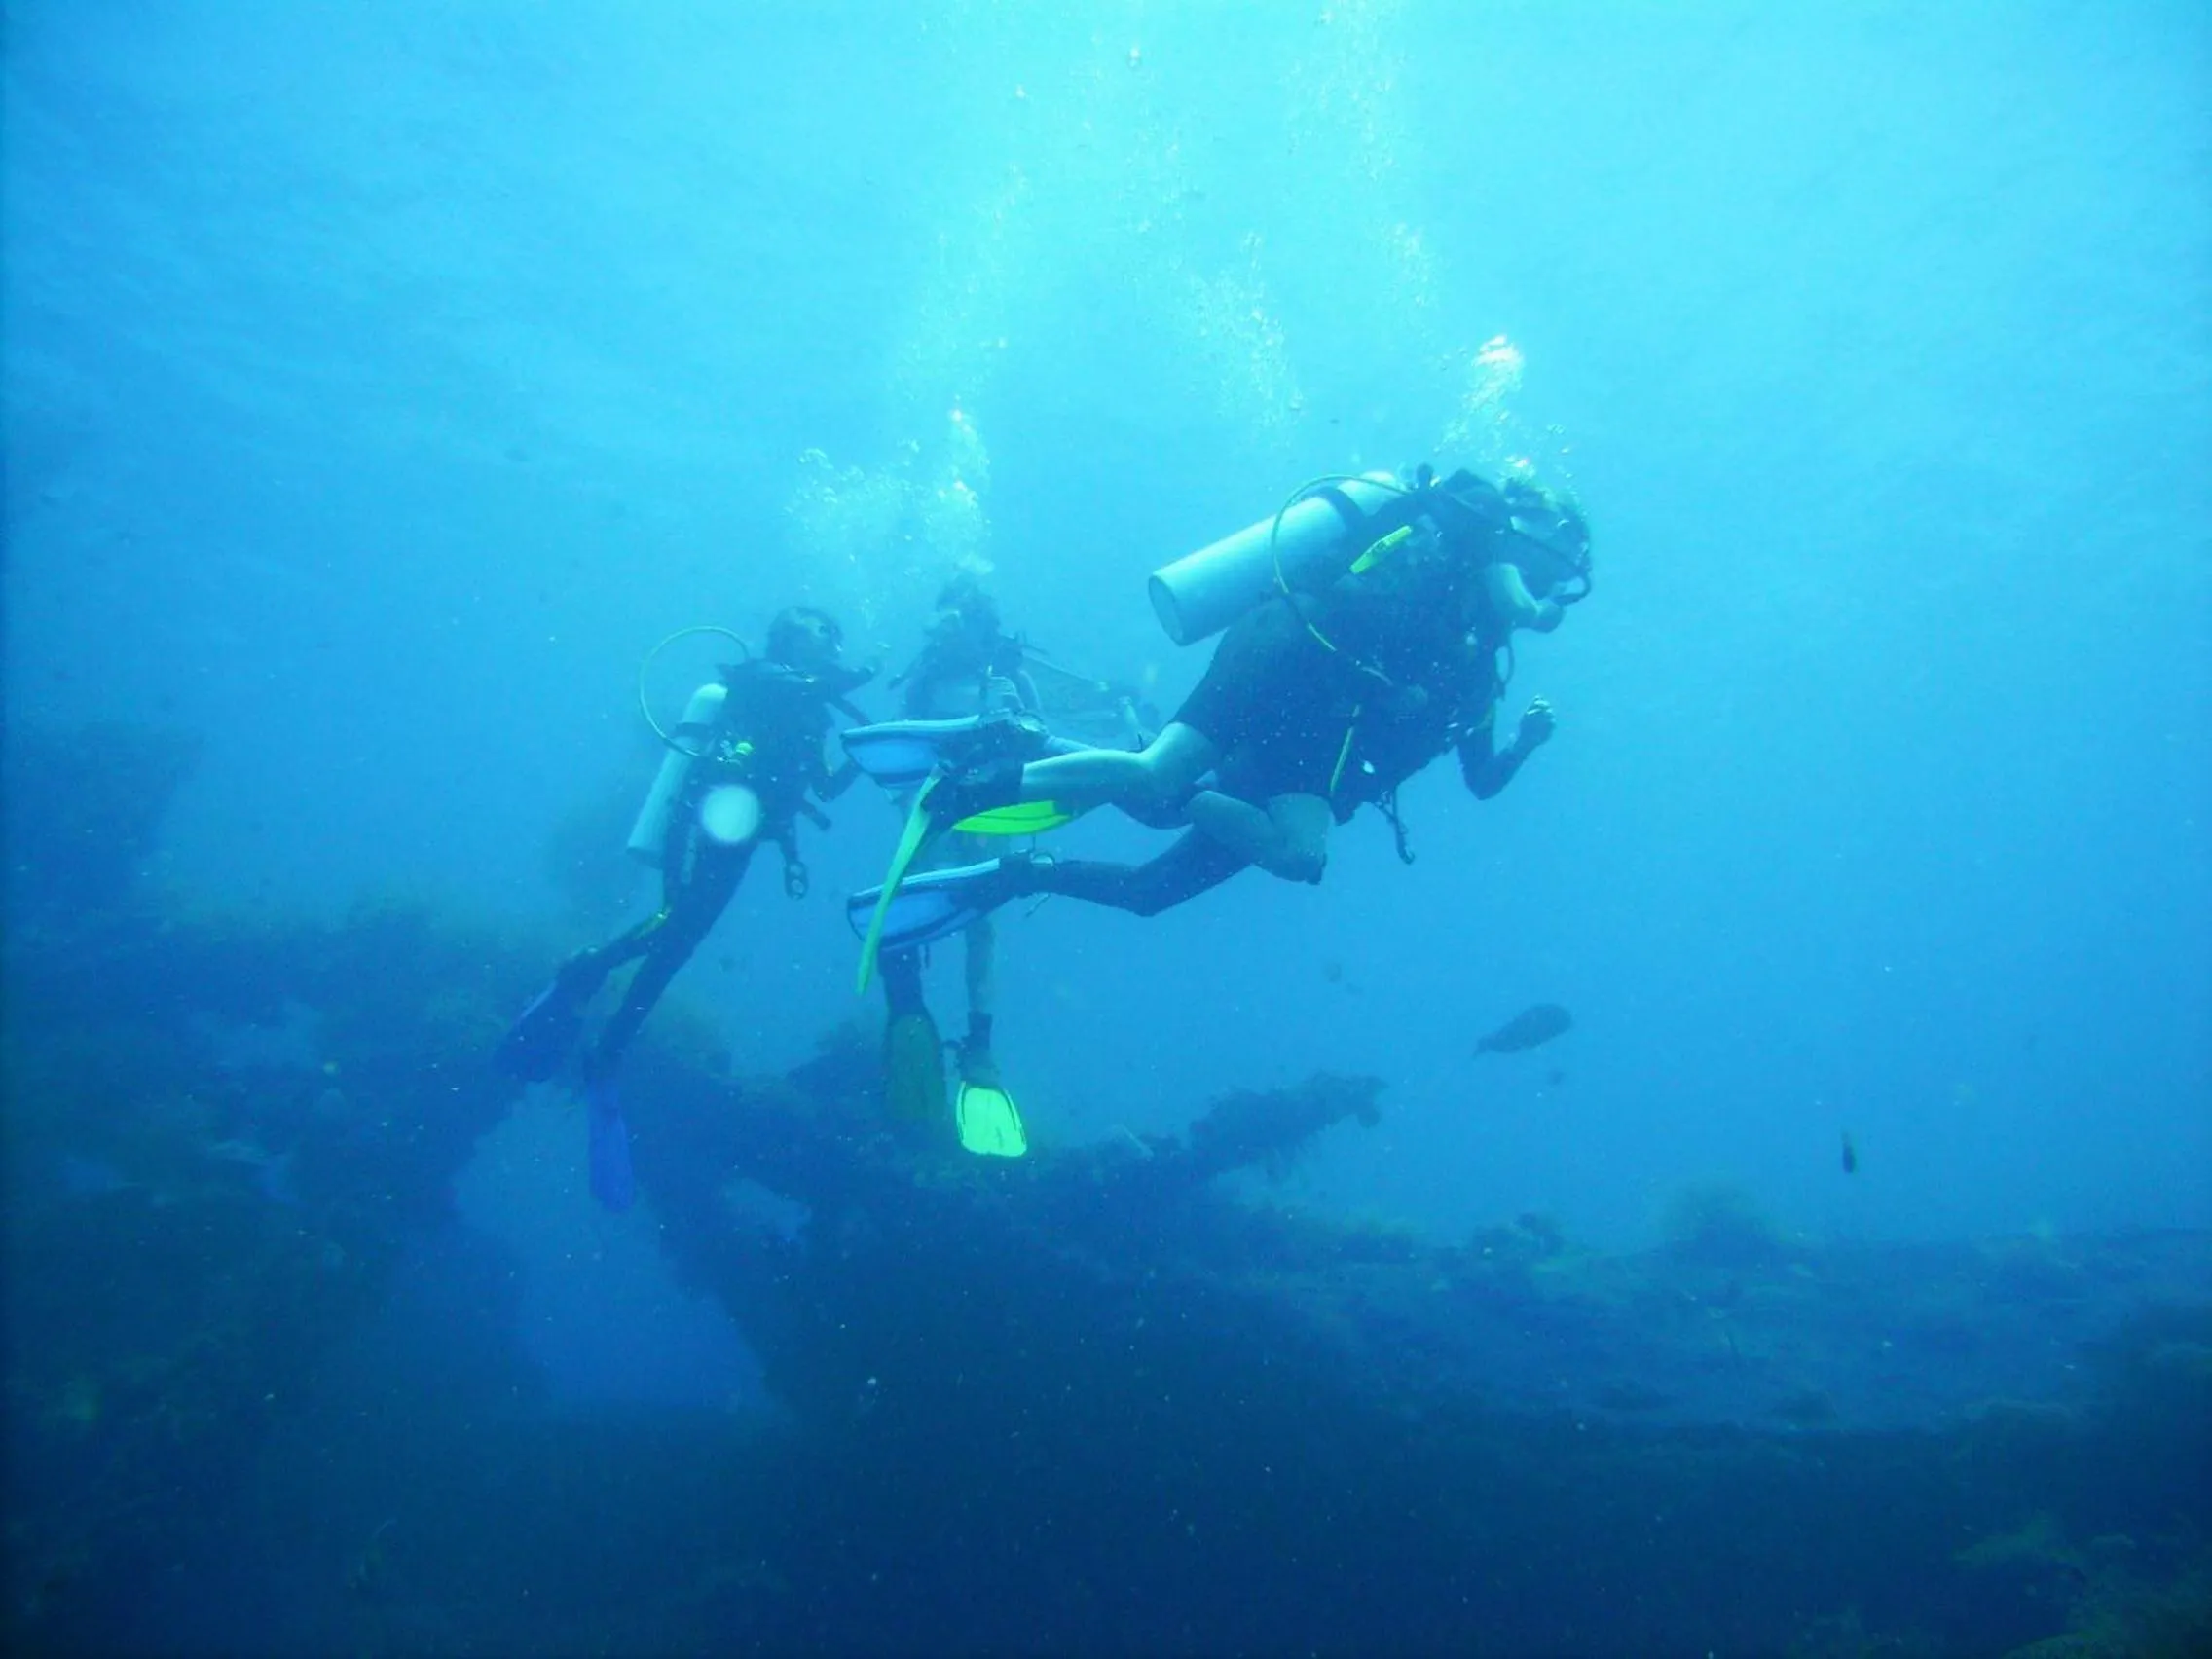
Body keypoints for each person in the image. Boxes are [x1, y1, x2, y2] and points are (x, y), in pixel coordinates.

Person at [847, 469, 1588, 946]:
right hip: (1288, 646)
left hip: (1316, 743)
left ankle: (1025, 868)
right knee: (1152, 777)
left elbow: (1482, 778)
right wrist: (1541, 610)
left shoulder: (1478, 666)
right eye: (1561, 547)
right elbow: (1518, 598)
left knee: (1170, 882)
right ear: (1531, 520)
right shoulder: (1480, 516)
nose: (1560, 573)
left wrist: (1526, 741)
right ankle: (981, 777)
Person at [495, 606, 868, 1209]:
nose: (830, 643)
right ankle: (591, 994)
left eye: (834, 636)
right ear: (792, 636)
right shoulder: (762, 676)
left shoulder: (813, 708)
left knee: (679, 942)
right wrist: (860, 674)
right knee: (678, 926)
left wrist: (868, 752)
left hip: (746, 830)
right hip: (719, 813)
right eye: (823, 632)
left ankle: (603, 1028)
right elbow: (794, 689)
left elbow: (824, 787)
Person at [876, 575, 1040, 1156]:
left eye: (958, 623)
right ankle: (909, 1014)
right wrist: (919, 818)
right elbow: (903, 753)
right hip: (935, 813)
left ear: (981, 628)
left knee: (982, 924)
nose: (946, 634)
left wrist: (1005, 827)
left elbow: (1035, 755)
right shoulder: (925, 679)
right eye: (942, 623)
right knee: (904, 907)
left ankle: (979, 1044)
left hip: (990, 818)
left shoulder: (1008, 679)